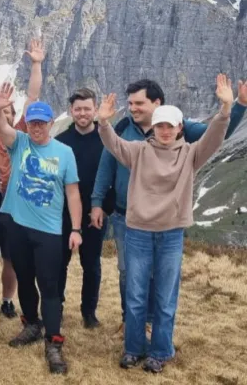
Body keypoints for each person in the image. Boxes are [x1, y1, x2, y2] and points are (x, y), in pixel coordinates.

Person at [96, 74, 232, 373]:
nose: (166, 131)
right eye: (160, 126)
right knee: (135, 296)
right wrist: (103, 122)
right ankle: (133, 349)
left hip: (171, 235)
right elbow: (113, 144)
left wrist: (225, 109)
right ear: (154, 128)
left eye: (171, 126)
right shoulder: (138, 151)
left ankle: (159, 352)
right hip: (138, 234)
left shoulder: (191, 154)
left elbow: (214, 137)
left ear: (180, 127)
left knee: (165, 298)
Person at [0, 83, 82, 375]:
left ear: (51, 123)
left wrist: (76, 229)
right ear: (27, 124)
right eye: (32, 123)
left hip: (49, 231)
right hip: (17, 225)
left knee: (49, 285)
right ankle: (31, 323)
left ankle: (53, 341)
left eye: (42, 123)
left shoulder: (64, 152)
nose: (37, 128)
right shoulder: (19, 142)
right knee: (25, 279)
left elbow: (73, 193)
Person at [0, 39, 45, 321]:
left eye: (9, 112)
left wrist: (36, 64)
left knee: (12, 259)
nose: (4, 115)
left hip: (15, 204)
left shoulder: (21, 133)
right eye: (0, 111)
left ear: (14, 117)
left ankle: (7, 301)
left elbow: (33, 98)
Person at [54, 89, 113, 329]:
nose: (82, 114)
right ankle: (56, 308)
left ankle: (89, 312)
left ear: (95, 110)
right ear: (71, 111)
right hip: (63, 215)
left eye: (87, 109)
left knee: (91, 265)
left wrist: (104, 208)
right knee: (59, 264)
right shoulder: (60, 141)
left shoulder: (106, 139)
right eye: (77, 109)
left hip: (95, 214)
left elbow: (114, 176)